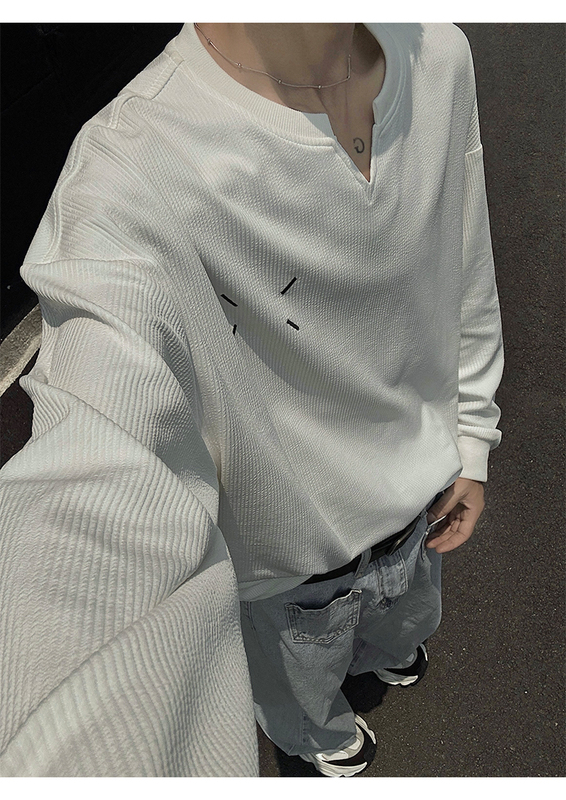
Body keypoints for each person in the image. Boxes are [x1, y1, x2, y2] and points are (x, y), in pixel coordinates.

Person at [0, 23, 503, 778]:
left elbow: (464, 262)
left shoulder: (439, 54)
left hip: (426, 502)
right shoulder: (128, 173)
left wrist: (472, 432)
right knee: (302, 686)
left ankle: (384, 657)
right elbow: (93, 465)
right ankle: (319, 738)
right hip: (296, 570)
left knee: (402, 626)